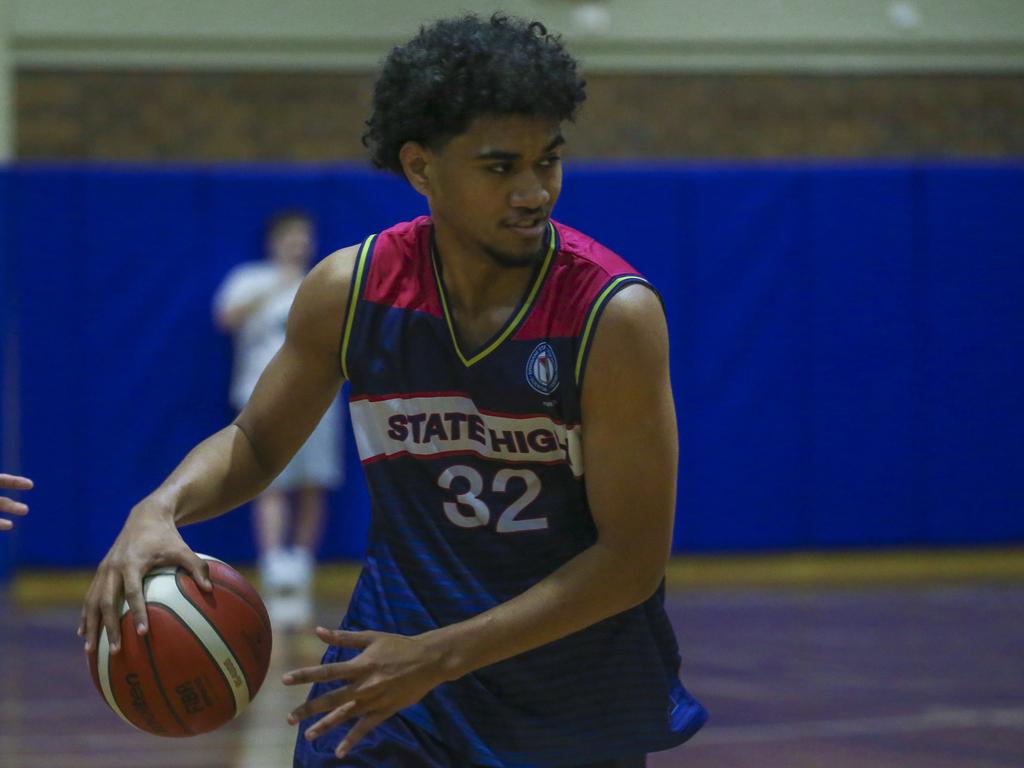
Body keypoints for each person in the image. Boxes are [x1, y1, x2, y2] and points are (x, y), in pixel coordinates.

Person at [79, 13, 707, 767]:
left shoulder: (613, 316)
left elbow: (631, 562)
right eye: (500, 167)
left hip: (567, 699)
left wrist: (438, 656)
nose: (535, 191)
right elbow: (254, 442)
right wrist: (158, 507)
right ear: (421, 168)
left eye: (549, 160)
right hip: (391, 684)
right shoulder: (354, 289)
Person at [213, 210, 344, 629]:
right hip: (260, 395)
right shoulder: (251, 278)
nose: (299, 245)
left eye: (305, 238)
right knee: (266, 482)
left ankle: (300, 569)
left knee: (313, 483)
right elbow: (226, 318)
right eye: (292, 237)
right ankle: (272, 567)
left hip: (318, 398)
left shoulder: (325, 281)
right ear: (275, 240)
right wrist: (278, 283)